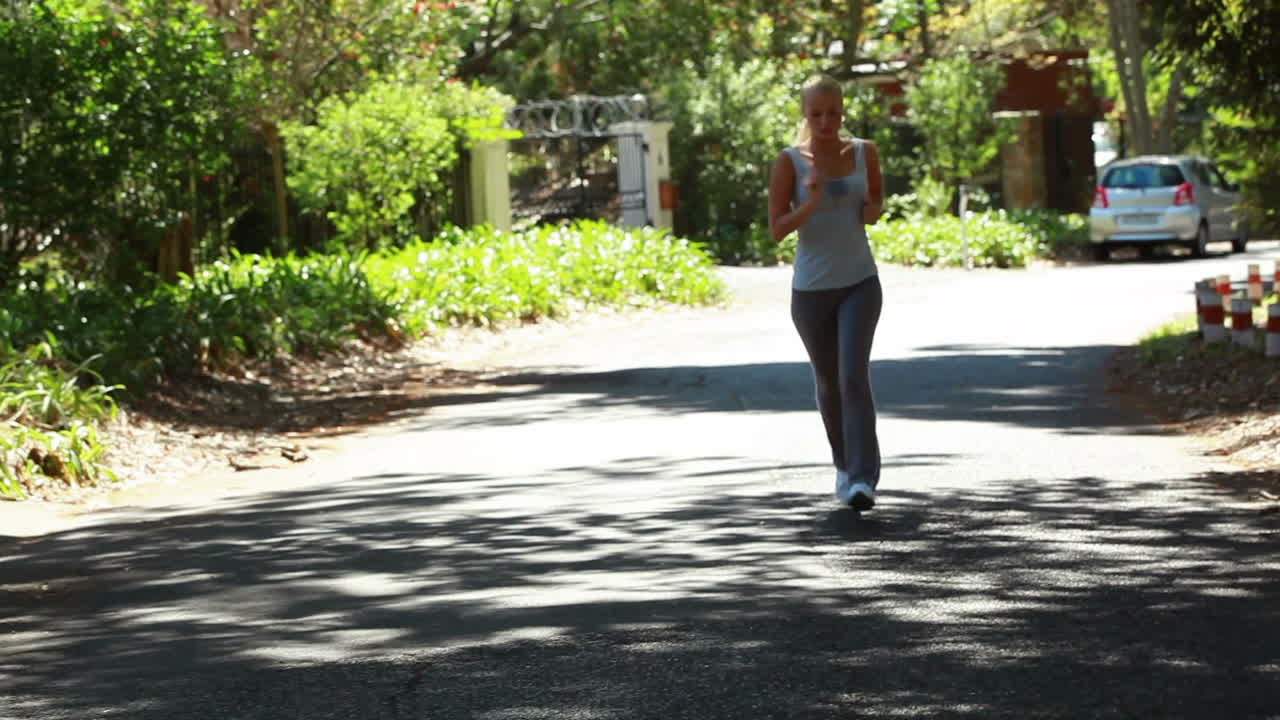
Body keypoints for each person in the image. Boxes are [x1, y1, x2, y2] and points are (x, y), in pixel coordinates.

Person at [767, 74, 884, 511]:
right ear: (805, 114)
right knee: (829, 382)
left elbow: (875, 205)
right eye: (816, 113)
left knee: (853, 376)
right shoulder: (789, 162)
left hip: (860, 282)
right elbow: (777, 229)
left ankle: (862, 478)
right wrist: (811, 203)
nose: (826, 121)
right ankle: (842, 464)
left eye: (833, 112)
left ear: (842, 111)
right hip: (812, 290)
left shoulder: (863, 153)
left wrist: (872, 208)